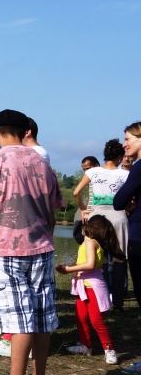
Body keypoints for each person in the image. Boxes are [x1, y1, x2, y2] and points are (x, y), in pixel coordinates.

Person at [0, 109, 62, 375]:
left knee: (19, 319)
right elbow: (52, 212)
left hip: (8, 251)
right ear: (25, 131)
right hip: (42, 249)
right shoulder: (42, 162)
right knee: (40, 316)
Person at [55, 215, 123, 365]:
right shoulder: (88, 243)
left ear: (90, 228)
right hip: (83, 287)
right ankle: (85, 346)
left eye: (84, 225)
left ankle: (109, 349)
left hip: (92, 287)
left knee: (96, 320)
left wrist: (68, 269)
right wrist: (69, 266)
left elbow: (90, 264)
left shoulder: (91, 243)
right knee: (80, 317)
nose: (81, 227)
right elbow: (83, 262)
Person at [72, 139, 130, 311]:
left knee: (99, 259)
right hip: (119, 217)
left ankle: (99, 300)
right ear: (120, 157)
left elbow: (76, 192)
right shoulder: (125, 174)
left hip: (97, 218)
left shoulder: (94, 172)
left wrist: (83, 209)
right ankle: (118, 303)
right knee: (119, 260)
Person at [113, 122, 141, 312]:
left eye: (127, 139)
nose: (124, 144)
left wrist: (129, 204)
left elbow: (118, 201)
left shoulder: (138, 168)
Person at [73, 156, 101, 245]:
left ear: (97, 165)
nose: (86, 172)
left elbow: (76, 193)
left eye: (88, 169)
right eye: (84, 170)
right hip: (88, 214)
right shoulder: (90, 177)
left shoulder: (101, 177)